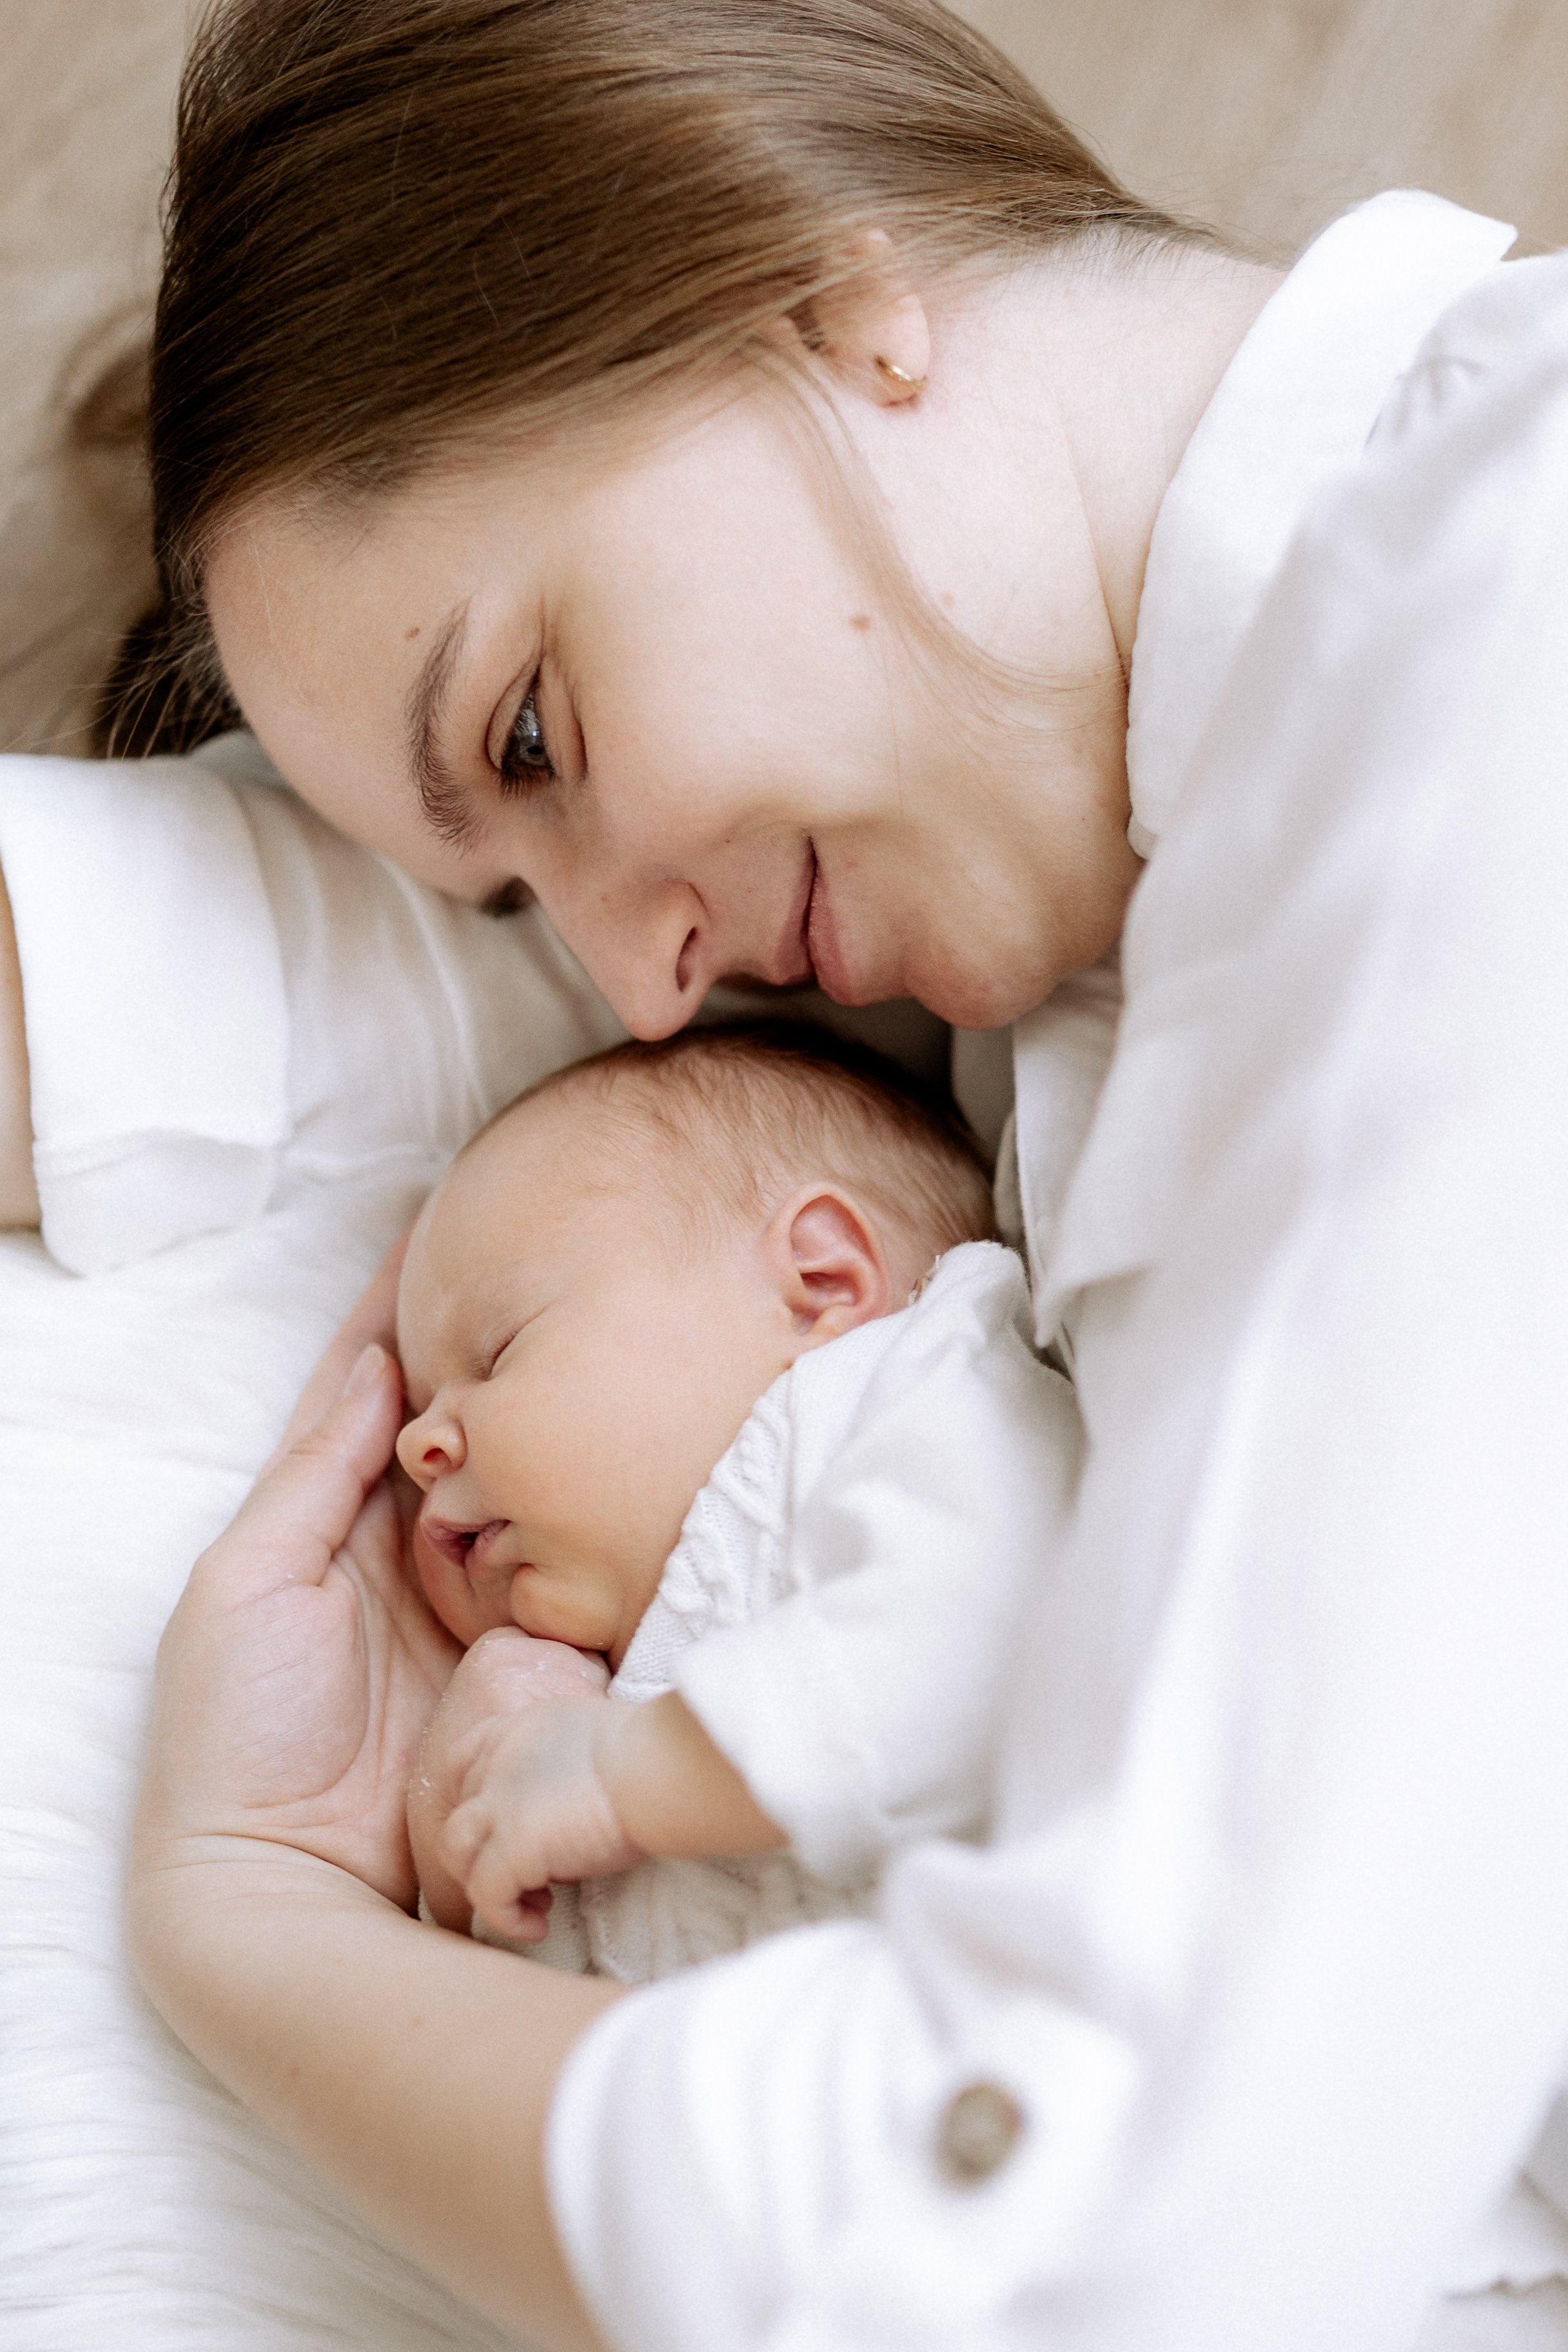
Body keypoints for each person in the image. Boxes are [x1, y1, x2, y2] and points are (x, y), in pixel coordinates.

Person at [1, 0, 1562, 2344]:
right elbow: (261, 982)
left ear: (814, 289)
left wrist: (250, 1926)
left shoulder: (1492, 632)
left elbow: (1068, 2236)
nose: (640, 984)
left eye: (535, 733)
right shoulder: (1070, 894)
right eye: (510, 896)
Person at [393, 1021, 1078, 1980]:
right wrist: (469, 1837)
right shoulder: (609, 1698)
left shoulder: (914, 1387)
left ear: (819, 1284)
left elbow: (981, 1635)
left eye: (499, 1350)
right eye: (420, 1407)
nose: (416, 1448)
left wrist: (622, 1776)